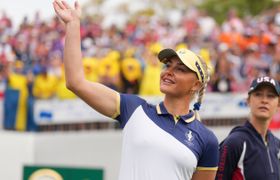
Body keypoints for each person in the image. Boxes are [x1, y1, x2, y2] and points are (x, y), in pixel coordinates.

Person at [52, 1, 219, 179]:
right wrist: (73, 25)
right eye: (167, 66)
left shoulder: (207, 140)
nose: (168, 72)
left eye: (180, 69)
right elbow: (76, 82)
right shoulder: (134, 108)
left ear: (195, 85)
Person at [216, 76, 280, 180]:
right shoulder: (235, 142)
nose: (264, 100)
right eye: (258, 94)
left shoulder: (278, 146)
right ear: (248, 101)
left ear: (279, 105)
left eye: (270, 96)